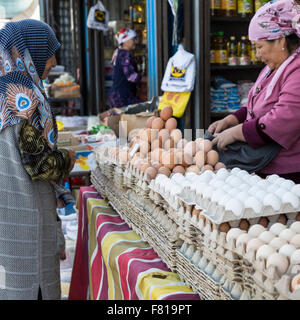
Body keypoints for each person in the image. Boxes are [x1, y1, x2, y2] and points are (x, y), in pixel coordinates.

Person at [0, 19, 76, 300]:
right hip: (25, 218)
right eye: (47, 51)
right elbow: (40, 165)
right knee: (31, 288)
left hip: (6, 218)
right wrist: (68, 158)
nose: (52, 60)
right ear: (26, 51)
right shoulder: (21, 96)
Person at [208, 0, 300, 183]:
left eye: (259, 47)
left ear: (281, 41)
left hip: (289, 174)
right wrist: (231, 120)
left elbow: (282, 120)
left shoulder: (296, 70)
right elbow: (256, 105)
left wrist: (235, 132)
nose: (257, 54)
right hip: (266, 166)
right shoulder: (273, 67)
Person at [108, 28, 142, 108]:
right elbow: (130, 76)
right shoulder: (124, 54)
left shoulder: (119, 53)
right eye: (133, 39)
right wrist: (145, 79)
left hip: (117, 95)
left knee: (121, 120)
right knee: (128, 118)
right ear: (126, 41)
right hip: (123, 96)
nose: (135, 42)